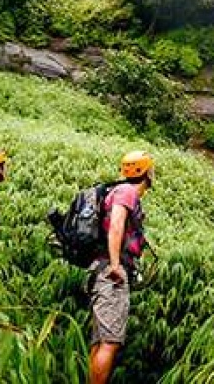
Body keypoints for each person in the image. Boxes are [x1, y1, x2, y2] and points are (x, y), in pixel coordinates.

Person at [89, 150, 154, 384]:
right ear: (146, 172)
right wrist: (116, 265)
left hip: (101, 270)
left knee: (101, 341)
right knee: (109, 343)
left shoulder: (119, 191)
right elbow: (116, 225)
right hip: (111, 273)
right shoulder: (126, 192)